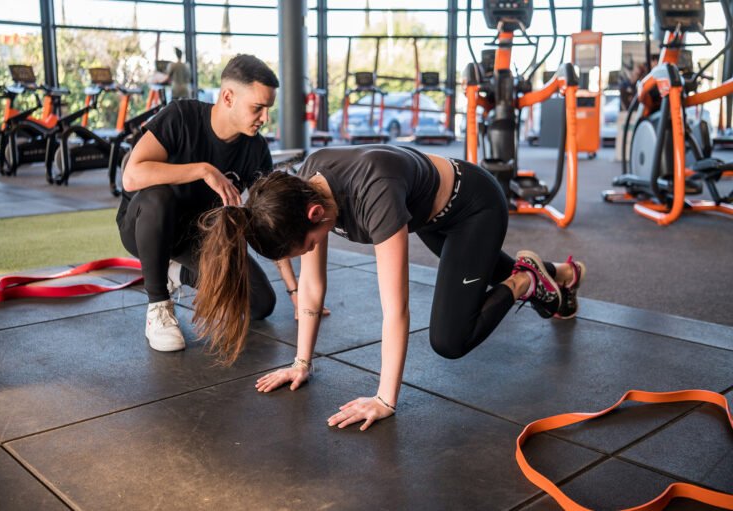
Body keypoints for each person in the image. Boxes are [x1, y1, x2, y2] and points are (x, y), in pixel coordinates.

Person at [194, 145, 585, 429]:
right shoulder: (304, 187)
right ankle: (561, 276)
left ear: (315, 214)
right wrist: (301, 362)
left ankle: (525, 280)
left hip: (474, 208)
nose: (313, 250)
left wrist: (384, 399)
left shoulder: (374, 193)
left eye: (310, 244)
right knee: (487, 276)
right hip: (431, 217)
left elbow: (395, 310)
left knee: (450, 340)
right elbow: (312, 286)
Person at [117, 54, 307, 353]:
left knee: (261, 303)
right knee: (159, 195)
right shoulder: (181, 116)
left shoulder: (256, 150)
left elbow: (272, 219)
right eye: (258, 108)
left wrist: (295, 293)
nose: (265, 118)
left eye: (269, 109)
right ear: (228, 97)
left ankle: (176, 273)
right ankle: (158, 306)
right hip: (146, 225)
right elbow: (131, 176)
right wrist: (203, 169)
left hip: (197, 238)